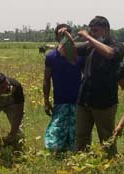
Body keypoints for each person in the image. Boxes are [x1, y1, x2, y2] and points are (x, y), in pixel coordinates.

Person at [73, 16, 124, 158]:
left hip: (104, 101)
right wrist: (66, 36)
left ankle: (111, 165)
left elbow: (109, 54)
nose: (92, 34)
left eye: (95, 31)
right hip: (84, 99)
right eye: (91, 31)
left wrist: (88, 37)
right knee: (81, 136)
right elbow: (67, 51)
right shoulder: (90, 45)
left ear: (106, 30)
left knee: (106, 137)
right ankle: (80, 164)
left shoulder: (117, 45)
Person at [42, 24, 83, 152]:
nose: (64, 37)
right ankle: (56, 152)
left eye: (67, 34)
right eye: (61, 35)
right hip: (60, 99)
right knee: (57, 129)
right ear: (56, 38)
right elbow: (46, 79)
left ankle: (74, 153)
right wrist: (46, 100)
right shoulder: (51, 57)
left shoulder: (79, 56)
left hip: (78, 99)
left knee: (76, 131)